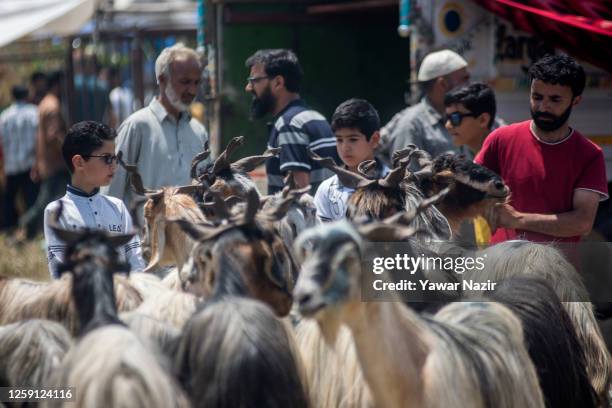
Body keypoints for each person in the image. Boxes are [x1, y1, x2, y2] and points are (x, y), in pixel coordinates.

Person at [475, 54, 608, 244]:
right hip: (502, 268)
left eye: (555, 100)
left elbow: (582, 223)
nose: (543, 107)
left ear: (575, 101)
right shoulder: (500, 139)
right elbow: (471, 189)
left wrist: (518, 220)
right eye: (537, 97)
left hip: (557, 270)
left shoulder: (589, 155)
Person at [104, 43, 209, 205]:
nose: (193, 91)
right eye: (185, 82)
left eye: (196, 83)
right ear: (162, 80)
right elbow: (112, 191)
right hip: (147, 229)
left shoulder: (198, 130)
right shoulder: (137, 126)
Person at [44, 121, 145, 279]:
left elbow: (136, 260)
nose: (114, 166)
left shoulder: (117, 206)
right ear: (79, 162)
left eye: (115, 158)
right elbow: (59, 271)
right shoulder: (56, 211)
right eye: (106, 158)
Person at [245, 49, 340, 195]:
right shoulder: (316, 117)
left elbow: (300, 197)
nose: (249, 88)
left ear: (278, 82)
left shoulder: (288, 125)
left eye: (254, 80)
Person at [379, 49, 470, 163]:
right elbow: (408, 178)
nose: (469, 86)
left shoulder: (467, 118)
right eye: (464, 79)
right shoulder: (411, 125)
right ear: (442, 84)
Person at [314, 98, 389, 221]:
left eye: (353, 139)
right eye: (339, 140)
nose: (345, 148)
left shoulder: (395, 184)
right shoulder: (327, 190)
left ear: (374, 139)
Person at [443, 82, 497, 244]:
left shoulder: (501, 159)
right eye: (447, 118)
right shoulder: (471, 161)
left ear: (482, 119)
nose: (448, 125)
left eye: (455, 118)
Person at [19, 70, 70, 239]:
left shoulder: (44, 103)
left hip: (47, 161)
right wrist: (70, 150)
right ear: (58, 85)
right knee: (48, 201)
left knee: (51, 200)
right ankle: (26, 224)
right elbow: (53, 135)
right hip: (56, 163)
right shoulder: (53, 105)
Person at [0, 85, 39, 231]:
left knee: (10, 200)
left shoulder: (5, 116)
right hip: (29, 164)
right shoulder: (33, 112)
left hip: (11, 165)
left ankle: (9, 228)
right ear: (27, 94)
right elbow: (38, 140)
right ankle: (31, 229)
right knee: (31, 199)